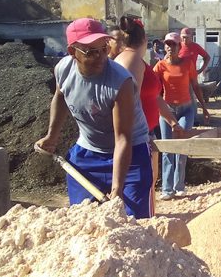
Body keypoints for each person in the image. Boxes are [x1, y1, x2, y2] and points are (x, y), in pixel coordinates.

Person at [35, 18, 152, 218]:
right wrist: (51, 136)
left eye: (104, 49)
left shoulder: (119, 81)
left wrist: (117, 189)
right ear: (73, 52)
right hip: (88, 152)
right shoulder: (63, 69)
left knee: (135, 223)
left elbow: (123, 137)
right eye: (91, 52)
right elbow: (60, 96)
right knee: (83, 218)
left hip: (131, 154)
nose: (101, 57)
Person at [114, 16, 183, 211]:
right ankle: (144, 225)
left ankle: (148, 221)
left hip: (143, 133)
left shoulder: (135, 60)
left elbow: (153, 96)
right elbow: (126, 99)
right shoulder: (132, 60)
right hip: (137, 136)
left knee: (149, 182)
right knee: (142, 184)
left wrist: (171, 121)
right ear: (145, 39)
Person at [153, 32, 211, 200]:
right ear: (164, 47)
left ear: (179, 47)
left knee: (182, 147)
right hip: (167, 110)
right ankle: (167, 189)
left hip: (186, 109)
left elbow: (195, 86)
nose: (170, 47)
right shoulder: (160, 66)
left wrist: (204, 108)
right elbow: (154, 92)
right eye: (167, 44)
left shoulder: (188, 64)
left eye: (173, 44)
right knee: (167, 149)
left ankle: (179, 186)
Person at [180, 27, 211, 123]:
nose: (185, 40)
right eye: (183, 37)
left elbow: (207, 57)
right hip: (179, 78)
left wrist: (200, 70)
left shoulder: (195, 47)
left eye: (187, 37)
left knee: (193, 98)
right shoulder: (177, 46)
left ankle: (194, 119)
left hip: (191, 78)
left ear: (191, 37)